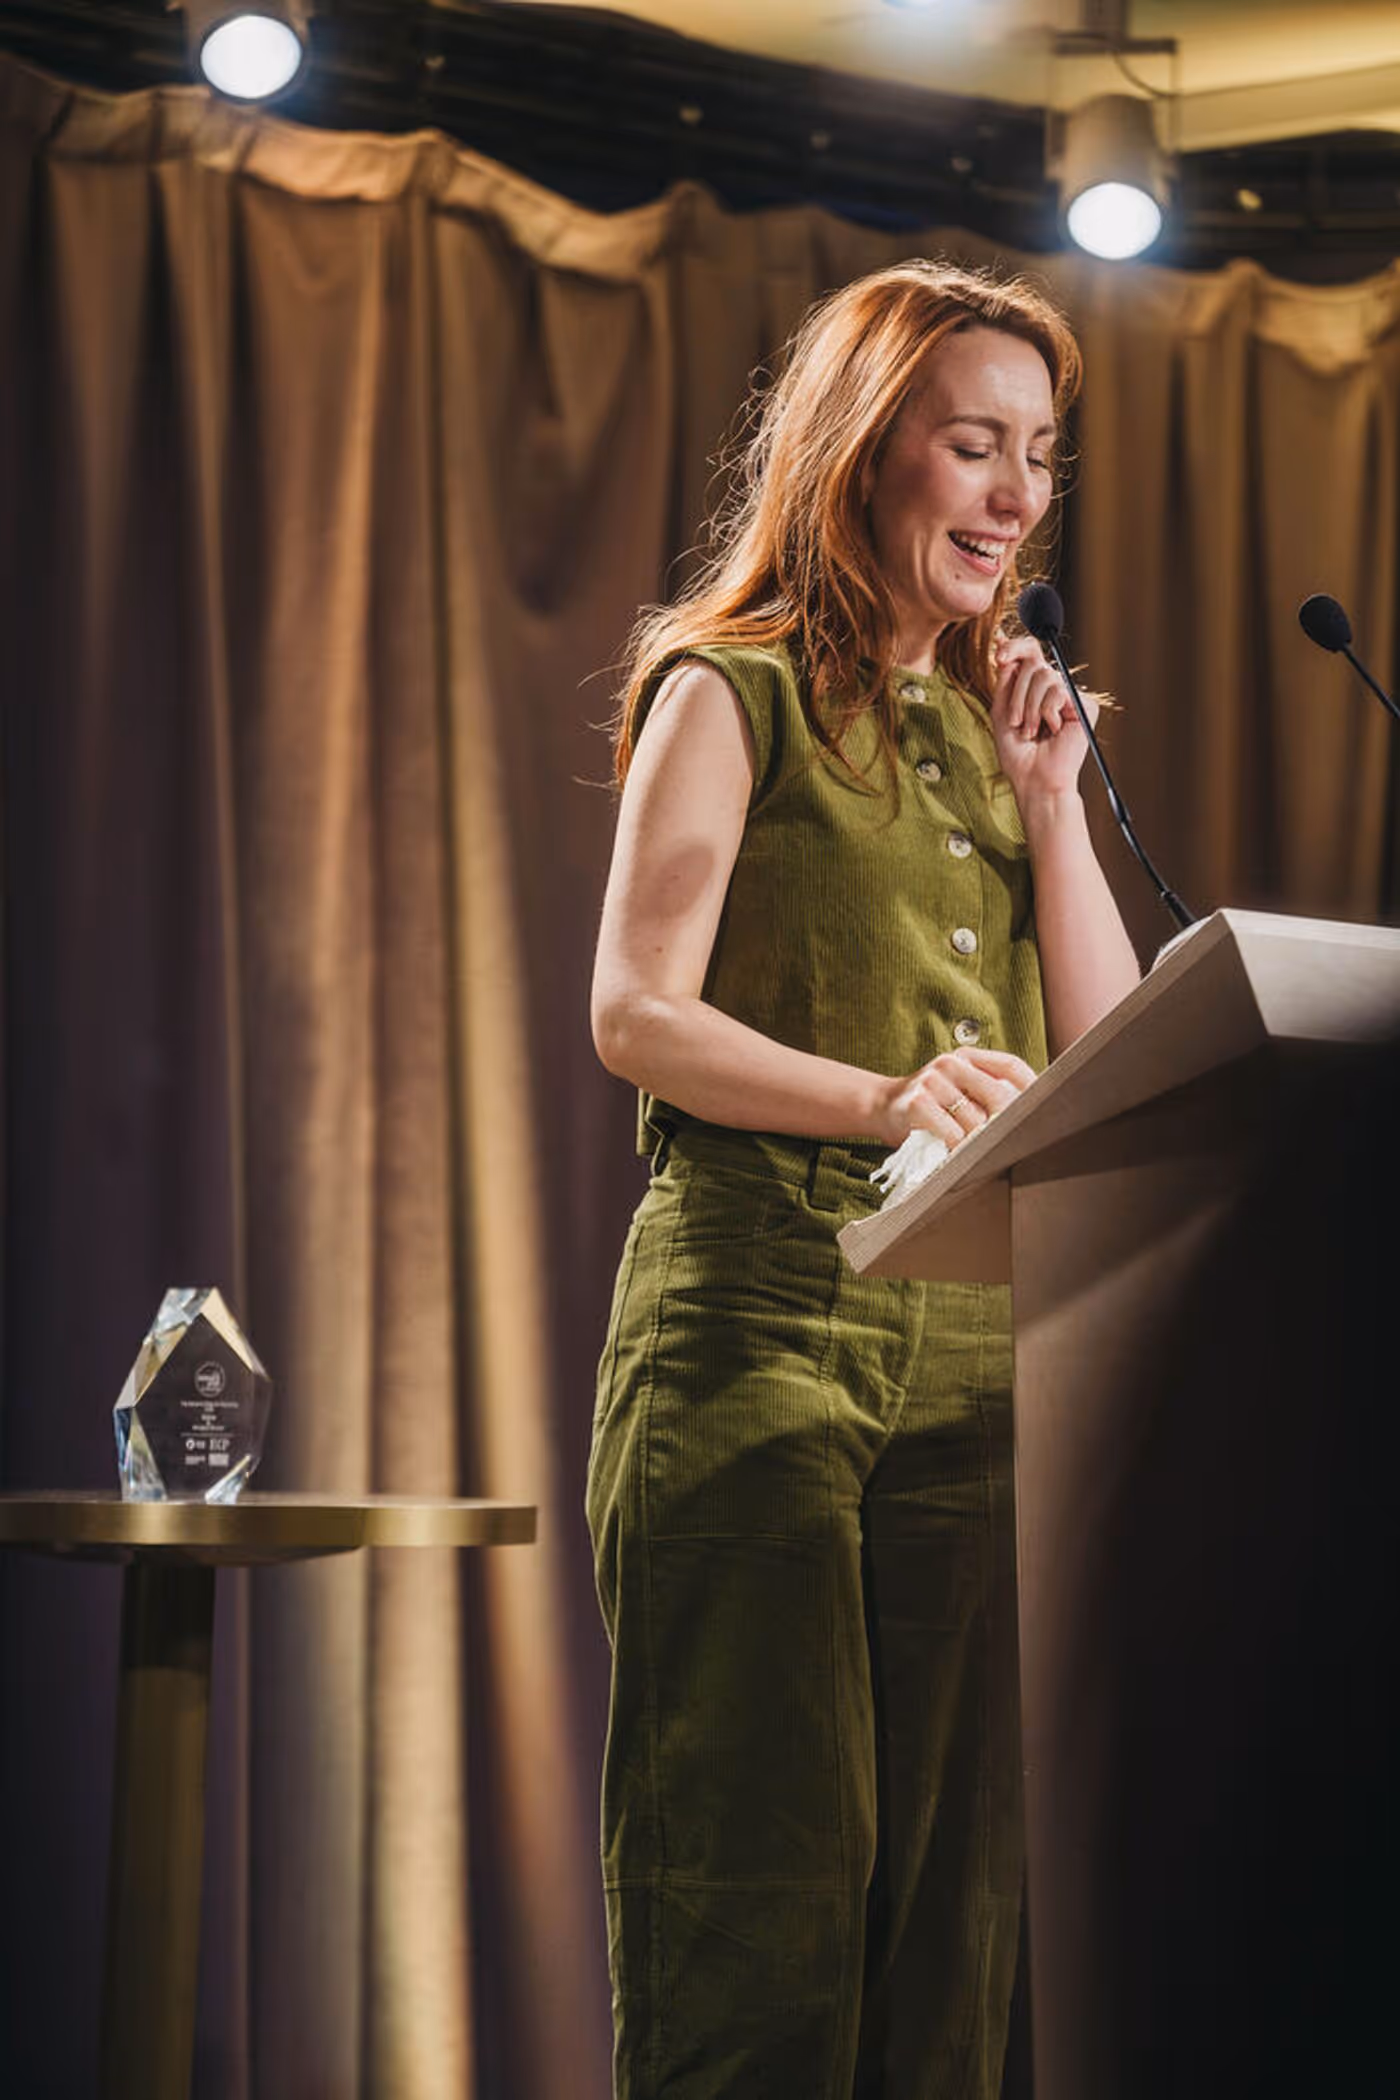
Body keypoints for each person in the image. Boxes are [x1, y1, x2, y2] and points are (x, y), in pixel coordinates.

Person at [586, 259, 1141, 2100]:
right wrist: (890, 1093)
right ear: (862, 453)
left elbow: (1113, 1054)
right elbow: (637, 1017)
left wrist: (1054, 807)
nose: (1017, 496)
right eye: (974, 446)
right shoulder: (727, 687)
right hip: (754, 1322)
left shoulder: (1004, 731)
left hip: (976, 1347)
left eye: (1039, 457)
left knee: (953, 1924)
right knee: (762, 1899)